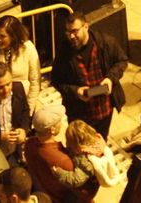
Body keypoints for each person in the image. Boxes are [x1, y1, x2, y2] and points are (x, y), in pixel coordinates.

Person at [51, 11, 129, 139]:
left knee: (100, 142)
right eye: (68, 32)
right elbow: (57, 80)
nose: (71, 36)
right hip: (79, 114)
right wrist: (76, 91)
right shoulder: (64, 52)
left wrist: (110, 78)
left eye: (75, 31)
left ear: (86, 26)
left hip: (104, 110)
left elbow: (122, 61)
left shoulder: (106, 43)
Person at [23, 104, 94, 203]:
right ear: (52, 130)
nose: (61, 123)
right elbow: (83, 193)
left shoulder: (29, 144)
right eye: (59, 121)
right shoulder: (63, 160)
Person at [0, 14, 43, 99]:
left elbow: (35, 81)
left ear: (13, 36)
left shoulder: (28, 48)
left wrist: (29, 108)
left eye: (2, 36)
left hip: (23, 100)